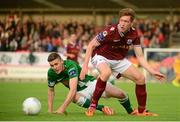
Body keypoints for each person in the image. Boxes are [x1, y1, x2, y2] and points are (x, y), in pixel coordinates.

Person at [80, 8, 166, 116]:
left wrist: (152, 71)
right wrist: (84, 67)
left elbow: (140, 56)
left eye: (126, 21)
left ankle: (141, 111)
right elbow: (91, 45)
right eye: (121, 20)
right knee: (105, 73)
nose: (122, 23)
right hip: (101, 56)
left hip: (118, 59)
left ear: (131, 22)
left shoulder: (134, 34)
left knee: (141, 78)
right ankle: (92, 106)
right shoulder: (110, 30)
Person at [47, 52, 137, 116]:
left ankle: (130, 111)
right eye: (52, 65)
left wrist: (62, 109)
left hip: (91, 84)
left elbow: (73, 89)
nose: (54, 67)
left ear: (62, 61)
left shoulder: (70, 65)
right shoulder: (51, 73)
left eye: (56, 64)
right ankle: (102, 108)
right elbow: (51, 91)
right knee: (74, 97)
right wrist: (50, 110)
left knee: (121, 94)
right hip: (81, 93)